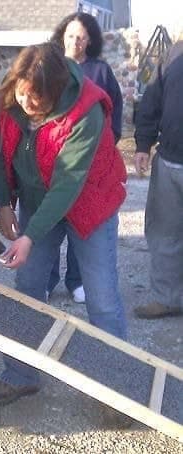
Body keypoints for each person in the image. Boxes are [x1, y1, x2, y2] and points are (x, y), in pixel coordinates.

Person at [0, 42, 127, 406]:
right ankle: (20, 374)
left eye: (38, 101)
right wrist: (3, 203)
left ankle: (115, 390)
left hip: (88, 202)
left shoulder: (87, 111)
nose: (27, 105)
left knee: (103, 298)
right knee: (29, 286)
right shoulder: (8, 97)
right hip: (36, 199)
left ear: (58, 92)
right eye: (23, 94)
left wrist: (29, 235)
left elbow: (67, 185)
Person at [47, 12, 124, 304]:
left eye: (81, 37)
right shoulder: (51, 68)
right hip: (54, 162)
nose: (75, 41)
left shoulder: (101, 71)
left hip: (91, 165)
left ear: (89, 40)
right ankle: (48, 280)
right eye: (70, 35)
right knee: (53, 223)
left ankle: (76, 281)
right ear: (62, 36)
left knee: (84, 221)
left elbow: (113, 112)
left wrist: (106, 144)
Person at [133, 36, 183, 319]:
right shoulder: (174, 53)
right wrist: (143, 144)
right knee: (165, 235)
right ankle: (168, 299)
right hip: (169, 161)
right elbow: (151, 101)